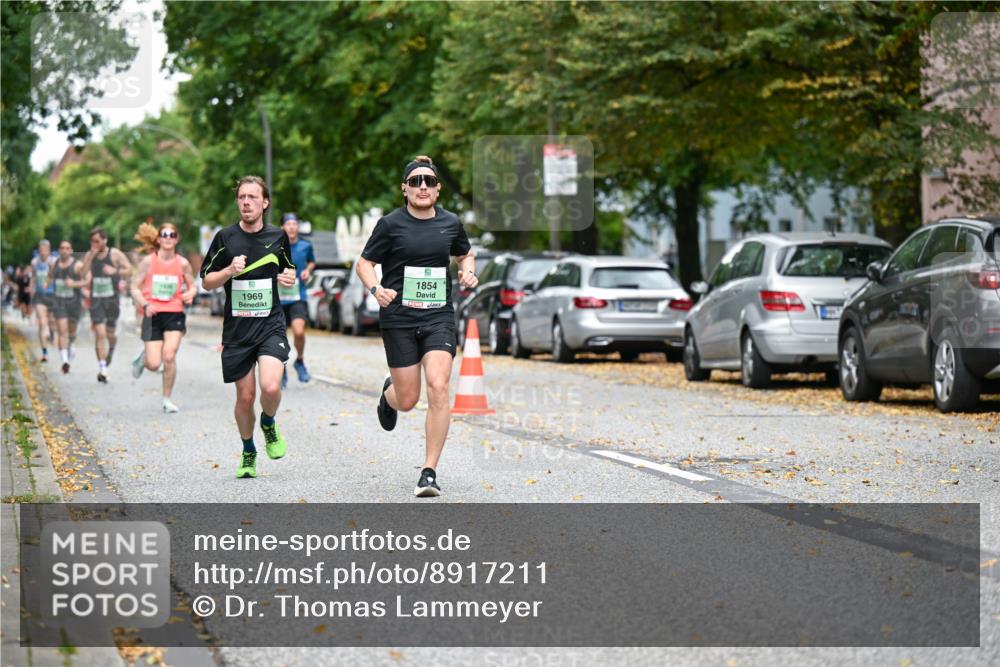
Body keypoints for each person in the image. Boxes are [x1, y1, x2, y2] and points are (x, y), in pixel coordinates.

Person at [355, 155, 477, 497]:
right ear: (405, 189)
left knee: (438, 387)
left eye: (429, 181)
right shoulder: (390, 224)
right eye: (415, 181)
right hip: (399, 318)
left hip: (438, 316)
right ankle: (388, 395)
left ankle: (429, 472)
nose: (422, 186)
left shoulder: (451, 223)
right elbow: (364, 263)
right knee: (408, 399)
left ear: (437, 190)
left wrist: (468, 269)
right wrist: (376, 288)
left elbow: (465, 253)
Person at [201, 176, 297, 479]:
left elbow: (288, 269)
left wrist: (290, 277)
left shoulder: (278, 236)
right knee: (244, 397)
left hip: (270, 325)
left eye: (253, 197)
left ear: (265, 203)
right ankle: (248, 450)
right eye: (242, 197)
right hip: (238, 331)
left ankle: (268, 422)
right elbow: (205, 281)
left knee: (270, 386)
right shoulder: (225, 238)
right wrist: (229, 270)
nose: (246, 202)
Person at [129, 222, 198, 413]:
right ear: (159, 239)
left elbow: (192, 285)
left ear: (176, 239)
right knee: (153, 364)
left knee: (169, 356)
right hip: (152, 314)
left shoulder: (182, 263)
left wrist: (190, 293)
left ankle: (166, 399)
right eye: (164, 234)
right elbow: (134, 286)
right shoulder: (148, 262)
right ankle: (143, 360)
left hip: (174, 312)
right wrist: (144, 304)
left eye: (172, 234)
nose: (168, 237)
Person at [80, 228, 132, 383]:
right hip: (96, 299)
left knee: (110, 334)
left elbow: (129, 269)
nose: (94, 244)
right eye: (92, 241)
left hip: (112, 299)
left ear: (105, 240)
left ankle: (112, 348)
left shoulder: (114, 254)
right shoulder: (90, 255)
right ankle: (103, 368)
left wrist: (114, 270)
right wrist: (89, 258)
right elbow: (82, 274)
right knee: (100, 333)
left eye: (97, 241)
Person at [278, 212, 316, 388]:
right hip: (278, 298)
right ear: (282, 228)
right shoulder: (276, 247)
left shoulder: (305, 246)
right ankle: (281, 367)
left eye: (295, 224)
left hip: (298, 296)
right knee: (281, 337)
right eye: (288, 224)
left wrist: (308, 270)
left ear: (298, 227)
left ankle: (299, 361)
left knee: (299, 332)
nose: (292, 227)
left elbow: (311, 262)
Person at [51, 240, 86, 374]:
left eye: (67, 248)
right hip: (59, 302)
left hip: (74, 303)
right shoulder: (54, 264)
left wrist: (74, 284)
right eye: (62, 248)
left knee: (71, 333)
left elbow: (87, 280)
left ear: (71, 250)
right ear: (59, 250)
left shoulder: (77, 265)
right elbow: (50, 277)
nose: (64, 250)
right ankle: (65, 361)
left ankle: (71, 344)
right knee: (62, 331)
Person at [29, 241, 56, 361]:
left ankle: (51, 332)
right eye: (41, 249)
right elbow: (33, 277)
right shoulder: (34, 262)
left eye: (45, 249)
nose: (43, 251)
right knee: (42, 322)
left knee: (51, 322)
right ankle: (44, 352)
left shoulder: (53, 261)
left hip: (52, 294)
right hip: (40, 295)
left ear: (49, 250)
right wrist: (31, 288)